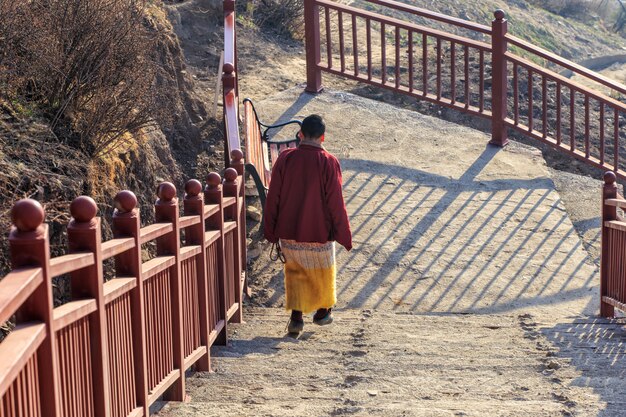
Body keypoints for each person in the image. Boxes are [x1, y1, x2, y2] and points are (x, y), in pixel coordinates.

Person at [264, 114, 352, 334]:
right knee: (323, 269)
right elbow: (336, 202)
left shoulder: (285, 158)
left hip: (289, 230)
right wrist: (344, 234)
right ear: (322, 137)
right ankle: (323, 311)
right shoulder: (329, 162)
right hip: (319, 231)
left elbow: (273, 196)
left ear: (300, 135)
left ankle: (296, 318)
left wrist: (271, 229)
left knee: (296, 272)